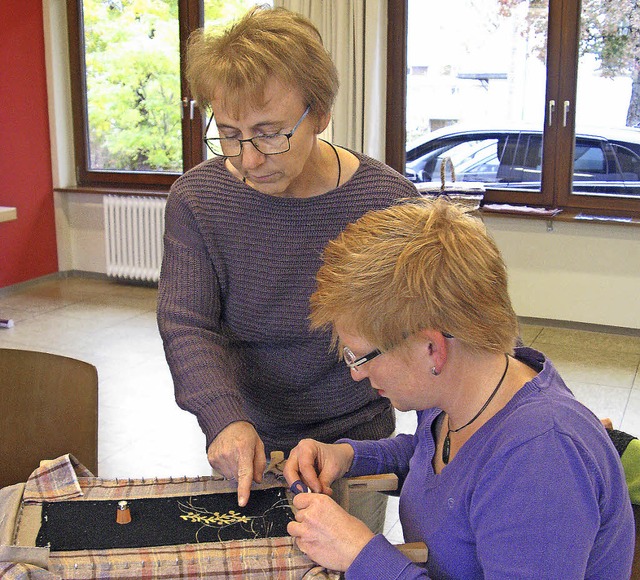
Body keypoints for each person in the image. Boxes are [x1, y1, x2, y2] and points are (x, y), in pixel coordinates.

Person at [284, 198, 634, 579]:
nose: (356, 374)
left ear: (431, 348)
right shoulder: (462, 390)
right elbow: (438, 460)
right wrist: (350, 457)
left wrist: (361, 554)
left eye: (361, 357)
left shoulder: (539, 460)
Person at [156, 4, 417, 509]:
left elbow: (452, 311)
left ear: (319, 113)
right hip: (248, 434)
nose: (250, 159)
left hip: (352, 441)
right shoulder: (197, 200)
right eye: (230, 134)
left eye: (271, 132)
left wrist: (526, 390)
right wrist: (224, 419)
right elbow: (187, 323)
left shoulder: (384, 199)